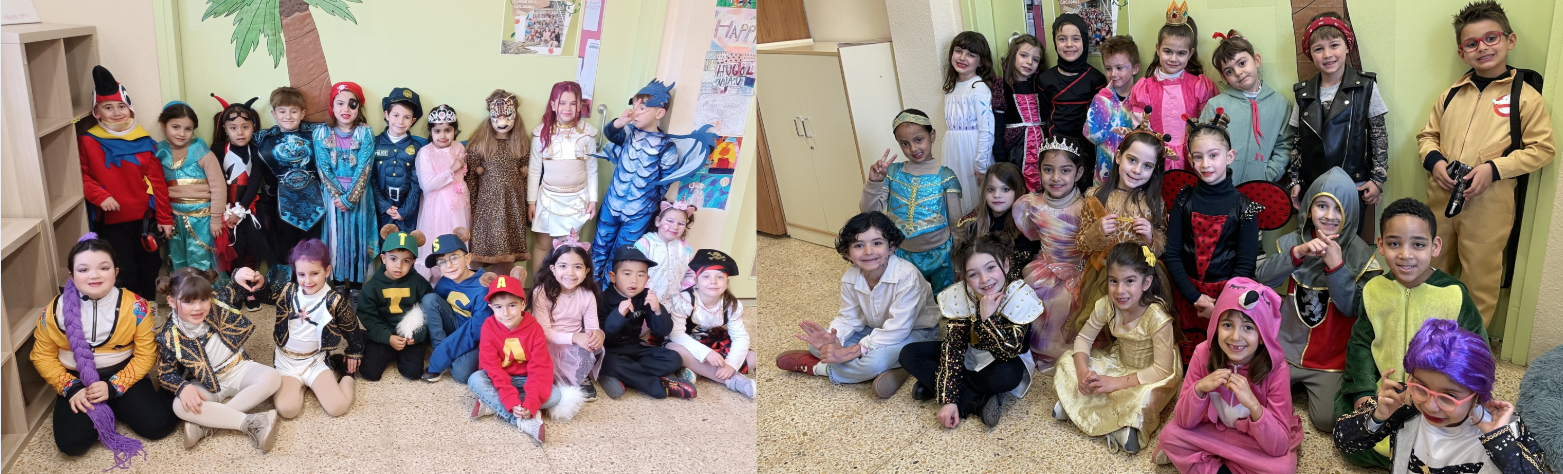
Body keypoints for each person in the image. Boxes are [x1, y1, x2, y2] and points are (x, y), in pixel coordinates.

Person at [1419, 0, 1556, 327]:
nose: (1482, 48)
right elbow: (1427, 136)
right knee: (1429, 268)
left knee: (1479, 280)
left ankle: (1469, 347)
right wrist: (1434, 161)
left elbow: (1542, 148)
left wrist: (1495, 169)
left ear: (1510, 40)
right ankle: (1424, 337)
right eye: (1472, 43)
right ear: (1462, 53)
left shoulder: (1525, 96)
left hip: (1489, 205)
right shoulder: (1451, 94)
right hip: (1441, 198)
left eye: (1491, 38)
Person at [1336, 198, 1491, 468]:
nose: (1405, 255)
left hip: (1435, 396)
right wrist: (1363, 393)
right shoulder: (1373, 290)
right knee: (1346, 431)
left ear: (1435, 246)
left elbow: (1477, 350)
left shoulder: (1453, 293)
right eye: (1394, 244)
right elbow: (1360, 345)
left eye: (1418, 245)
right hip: (1385, 391)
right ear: (1380, 244)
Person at [1253, 167, 1381, 432]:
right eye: (1322, 205)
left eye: (1338, 208)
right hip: (1285, 352)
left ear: (1350, 211)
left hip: (1329, 360)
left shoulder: (1362, 256)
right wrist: (1296, 254)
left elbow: (1354, 309)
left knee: (1327, 421)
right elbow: (1261, 280)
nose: (1329, 216)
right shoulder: (1291, 242)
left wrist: (1337, 268)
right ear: (1309, 207)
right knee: (1255, 399)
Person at [31, 234, 175, 465]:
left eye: (103, 268)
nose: (94, 275)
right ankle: (110, 406)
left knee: (158, 427)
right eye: (84, 269)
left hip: (124, 373)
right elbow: (42, 356)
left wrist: (114, 386)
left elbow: (146, 354)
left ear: (116, 272)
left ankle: (168, 389)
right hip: (77, 379)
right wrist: (70, 387)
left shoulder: (136, 306)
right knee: (72, 444)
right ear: (72, 276)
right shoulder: (53, 310)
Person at [1334, 319, 1551, 473]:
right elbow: (1345, 442)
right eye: (1421, 388)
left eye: (1449, 397)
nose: (1431, 406)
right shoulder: (1404, 402)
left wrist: (1500, 441)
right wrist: (1377, 416)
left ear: (1477, 396)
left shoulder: (1506, 431)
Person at [775, 211, 940, 398]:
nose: (869, 251)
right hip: (875, 328)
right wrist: (835, 340)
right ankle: (896, 367)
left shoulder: (907, 276)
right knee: (818, 347)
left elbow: (897, 329)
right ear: (847, 253)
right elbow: (848, 318)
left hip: (916, 332)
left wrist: (849, 352)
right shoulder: (850, 277)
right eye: (859, 245)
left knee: (873, 363)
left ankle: (819, 368)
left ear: (891, 247)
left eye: (877, 243)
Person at [1155, 278, 1304, 473]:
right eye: (1227, 325)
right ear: (1215, 326)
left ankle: (1208, 461)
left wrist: (1254, 405)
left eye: (1248, 327)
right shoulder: (1202, 353)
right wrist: (1199, 389)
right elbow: (1183, 420)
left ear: (1262, 336)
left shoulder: (1277, 368)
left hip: (1252, 441)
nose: (1235, 337)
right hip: (1210, 432)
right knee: (1169, 436)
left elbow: (1278, 445)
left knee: (1283, 469)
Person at [900, 234, 1040, 429]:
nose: (984, 279)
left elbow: (1008, 352)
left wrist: (987, 319)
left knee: (1007, 377)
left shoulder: (1019, 296)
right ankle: (975, 402)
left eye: (991, 268)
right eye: (973, 274)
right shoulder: (960, 295)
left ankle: (938, 385)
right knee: (909, 354)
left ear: (1006, 265)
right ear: (965, 277)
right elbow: (954, 348)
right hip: (968, 354)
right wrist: (949, 401)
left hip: (1000, 361)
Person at [1054, 242, 1181, 454]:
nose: (1120, 290)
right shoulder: (1107, 305)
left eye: (1129, 281)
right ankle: (1086, 407)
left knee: (1144, 397)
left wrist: (1114, 383)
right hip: (1118, 362)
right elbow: (1083, 339)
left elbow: (1162, 370)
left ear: (1146, 282)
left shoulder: (1157, 317)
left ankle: (1118, 424)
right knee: (1068, 360)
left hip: (1151, 373)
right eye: (1114, 281)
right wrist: (1083, 373)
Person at [590, 79, 715, 287]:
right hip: (611, 206)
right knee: (599, 248)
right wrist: (621, 121)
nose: (635, 112)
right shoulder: (627, 135)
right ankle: (590, 290)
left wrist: (648, 206)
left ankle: (610, 293)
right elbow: (611, 133)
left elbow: (664, 182)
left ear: (659, 113)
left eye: (642, 108)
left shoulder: (667, 148)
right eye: (634, 106)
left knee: (623, 254)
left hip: (639, 213)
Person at [1164, 111, 1260, 363]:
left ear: (1229, 156)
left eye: (1213, 155)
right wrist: (1195, 297)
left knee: (1221, 358)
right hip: (1186, 293)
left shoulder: (1246, 207)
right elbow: (1172, 254)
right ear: (1190, 159)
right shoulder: (1183, 200)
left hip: (1228, 298)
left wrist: (1221, 303)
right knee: (1188, 357)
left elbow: (1245, 264)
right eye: (1198, 157)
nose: (1205, 164)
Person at [153, 267, 283, 452]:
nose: (198, 307)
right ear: (172, 301)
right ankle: (250, 422)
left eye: (204, 299)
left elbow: (235, 288)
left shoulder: (217, 301)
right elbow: (165, 373)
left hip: (239, 368)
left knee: (273, 377)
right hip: (206, 382)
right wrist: (182, 387)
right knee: (179, 406)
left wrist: (238, 274)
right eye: (188, 301)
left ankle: (208, 424)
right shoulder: (168, 336)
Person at [1286, 12, 1389, 241]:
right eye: (1319, 49)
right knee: (1314, 246)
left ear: (1347, 46)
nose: (1327, 54)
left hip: (1353, 185)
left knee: (1347, 246)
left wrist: (1378, 179)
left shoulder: (1366, 87)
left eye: (1334, 45)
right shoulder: (1303, 94)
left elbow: (1379, 135)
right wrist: (1294, 180)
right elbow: (1297, 142)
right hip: (1314, 187)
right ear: (1310, 54)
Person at [229, 239, 359, 419]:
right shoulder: (288, 291)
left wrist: (354, 352)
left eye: (315, 273)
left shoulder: (334, 300)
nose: (308, 280)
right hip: (287, 362)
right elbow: (266, 294)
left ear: (327, 271)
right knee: (287, 410)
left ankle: (346, 373)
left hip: (315, 361)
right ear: (295, 272)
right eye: (301, 274)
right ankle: (303, 384)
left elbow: (351, 327)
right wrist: (256, 282)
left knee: (337, 408)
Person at [79, 65, 171, 301]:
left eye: (121, 106)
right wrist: (100, 196)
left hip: (144, 219)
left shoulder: (144, 141)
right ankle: (131, 310)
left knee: (151, 265)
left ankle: (148, 306)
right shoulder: (88, 141)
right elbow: (80, 177)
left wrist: (164, 218)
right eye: (108, 107)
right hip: (112, 222)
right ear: (97, 111)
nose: (117, 112)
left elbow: (158, 184)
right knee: (123, 269)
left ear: (129, 108)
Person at [469, 274, 588, 445]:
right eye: (498, 307)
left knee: (555, 396)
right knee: (475, 379)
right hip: (499, 379)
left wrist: (531, 401)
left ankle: (493, 405)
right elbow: (492, 368)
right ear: (491, 307)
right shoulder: (488, 326)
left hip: (527, 379)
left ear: (523, 304)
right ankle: (522, 420)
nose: (505, 313)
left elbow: (540, 368)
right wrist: (511, 399)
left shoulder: (534, 329)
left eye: (512, 305)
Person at [862, 109, 963, 289]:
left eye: (918, 140)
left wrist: (959, 264)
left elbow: (957, 226)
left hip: (941, 258)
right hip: (901, 257)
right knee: (907, 299)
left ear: (932, 135)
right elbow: (869, 213)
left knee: (943, 299)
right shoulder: (892, 173)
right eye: (905, 143)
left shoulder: (946, 177)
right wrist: (874, 182)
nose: (913, 148)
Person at [1013, 137, 1088, 370]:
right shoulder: (1030, 205)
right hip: (1044, 268)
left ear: (1078, 173)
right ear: (1039, 171)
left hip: (1077, 272)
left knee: (1066, 303)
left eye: (1065, 170)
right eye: (1048, 170)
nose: (1056, 177)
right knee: (1029, 299)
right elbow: (1033, 234)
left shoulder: (1085, 208)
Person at [596, 245, 697, 399]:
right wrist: (618, 315)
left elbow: (662, 331)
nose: (634, 280)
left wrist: (657, 310)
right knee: (608, 363)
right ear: (613, 276)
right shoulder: (602, 299)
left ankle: (625, 377)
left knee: (674, 359)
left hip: (635, 347)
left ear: (647, 279)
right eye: (627, 274)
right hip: (610, 351)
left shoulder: (645, 296)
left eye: (641, 275)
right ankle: (658, 386)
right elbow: (603, 338)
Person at [1128, 2, 1218, 170]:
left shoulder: (1199, 86)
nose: (1173, 59)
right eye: (1167, 51)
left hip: (1192, 156)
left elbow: (1206, 127)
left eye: (1181, 53)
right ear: (1158, 49)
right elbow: (1141, 129)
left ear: (1190, 53)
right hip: (1156, 156)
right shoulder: (1145, 88)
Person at [662, 249, 756, 399]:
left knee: (752, 357)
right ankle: (733, 381)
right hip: (685, 340)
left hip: (712, 339)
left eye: (720, 277)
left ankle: (696, 370)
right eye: (706, 276)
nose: (713, 281)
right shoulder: (684, 299)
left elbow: (741, 337)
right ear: (696, 281)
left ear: (727, 282)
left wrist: (731, 364)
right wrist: (706, 353)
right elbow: (676, 334)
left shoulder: (732, 304)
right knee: (673, 350)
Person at [1202, 29, 1293, 185]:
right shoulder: (1215, 105)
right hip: (1221, 186)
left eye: (1242, 63)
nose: (1238, 73)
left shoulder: (1280, 104)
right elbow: (1201, 144)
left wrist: (1269, 174)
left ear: (1256, 60)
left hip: (1261, 187)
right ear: (1225, 77)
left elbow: (1285, 145)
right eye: (1229, 71)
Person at [313, 82, 379, 285]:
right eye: (340, 103)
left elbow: (364, 168)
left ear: (359, 108)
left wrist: (350, 199)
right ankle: (339, 283)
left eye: (352, 104)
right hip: (332, 196)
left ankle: (358, 284)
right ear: (332, 106)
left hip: (359, 195)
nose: (346, 109)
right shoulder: (321, 133)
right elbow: (323, 169)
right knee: (335, 239)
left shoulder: (365, 133)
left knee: (358, 238)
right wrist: (338, 197)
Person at [1036, 13, 1108, 190]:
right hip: (1055, 151)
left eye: (1075, 38)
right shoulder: (1045, 79)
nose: (1069, 44)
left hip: (1086, 153)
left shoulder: (1096, 78)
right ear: (1055, 43)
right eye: (1062, 39)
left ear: (1084, 41)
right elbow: (1044, 115)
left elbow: (1100, 119)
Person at [528, 81, 599, 258]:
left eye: (573, 103)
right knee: (543, 245)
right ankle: (539, 278)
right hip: (548, 199)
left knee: (569, 246)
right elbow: (534, 170)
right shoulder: (541, 134)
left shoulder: (587, 134)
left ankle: (564, 277)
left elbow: (592, 170)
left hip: (577, 200)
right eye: (562, 103)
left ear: (580, 106)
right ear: (553, 105)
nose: (567, 108)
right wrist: (531, 202)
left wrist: (593, 199)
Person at [531, 232, 605, 400]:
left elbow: (592, 327)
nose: (570, 272)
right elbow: (544, 332)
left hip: (575, 345)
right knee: (539, 367)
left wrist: (598, 334)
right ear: (553, 269)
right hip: (548, 343)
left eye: (577, 267)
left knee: (594, 344)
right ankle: (554, 376)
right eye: (563, 266)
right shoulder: (541, 293)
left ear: (586, 271)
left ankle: (579, 375)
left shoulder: (587, 294)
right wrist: (574, 337)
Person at [356, 226, 435, 381]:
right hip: (384, 332)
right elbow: (367, 315)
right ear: (383, 258)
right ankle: (365, 338)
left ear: (413, 262)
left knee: (413, 373)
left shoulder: (419, 283)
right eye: (393, 259)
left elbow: (428, 312)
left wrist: (418, 336)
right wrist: (387, 337)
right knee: (369, 373)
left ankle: (402, 352)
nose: (399, 265)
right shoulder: (372, 286)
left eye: (406, 261)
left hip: (408, 335)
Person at [155, 101, 227, 271]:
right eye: (175, 127)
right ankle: (182, 288)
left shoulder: (202, 152)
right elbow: (157, 189)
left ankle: (204, 289)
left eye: (188, 129)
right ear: (163, 125)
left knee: (201, 261)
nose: (182, 133)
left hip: (202, 219)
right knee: (178, 258)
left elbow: (218, 187)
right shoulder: (159, 153)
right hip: (174, 219)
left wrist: (216, 219)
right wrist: (163, 218)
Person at [465, 90, 532, 270]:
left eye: (507, 115)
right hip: (487, 209)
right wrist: (472, 209)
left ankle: (503, 286)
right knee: (480, 256)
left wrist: (527, 206)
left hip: (512, 207)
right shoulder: (479, 145)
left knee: (506, 256)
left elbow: (526, 178)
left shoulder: (522, 145)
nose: (502, 121)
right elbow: (471, 180)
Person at [255, 86, 326, 254]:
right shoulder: (263, 138)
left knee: (314, 250)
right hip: (280, 206)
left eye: (293, 111)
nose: (288, 116)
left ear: (303, 113)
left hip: (316, 204)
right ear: (273, 113)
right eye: (282, 111)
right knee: (285, 250)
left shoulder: (318, 133)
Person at [211, 94, 275, 271]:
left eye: (245, 127)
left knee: (249, 249)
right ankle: (233, 283)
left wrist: (240, 211)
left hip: (248, 208)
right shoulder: (217, 150)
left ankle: (250, 282)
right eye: (233, 128)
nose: (240, 132)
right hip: (224, 208)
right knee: (230, 249)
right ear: (225, 129)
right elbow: (216, 182)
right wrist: (224, 211)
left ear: (253, 126)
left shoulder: (256, 151)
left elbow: (254, 182)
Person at [413, 104, 470, 280]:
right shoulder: (425, 153)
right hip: (437, 208)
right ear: (431, 132)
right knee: (437, 241)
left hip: (458, 206)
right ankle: (434, 282)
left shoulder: (459, 148)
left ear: (455, 131)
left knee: (457, 241)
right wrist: (452, 170)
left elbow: (463, 174)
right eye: (437, 131)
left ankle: (458, 281)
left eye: (448, 130)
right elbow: (427, 184)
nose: (443, 136)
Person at [942, 31, 997, 213]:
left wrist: (981, 165)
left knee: (974, 198)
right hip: (953, 149)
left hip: (971, 150)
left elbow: (986, 129)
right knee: (956, 196)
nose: (962, 58)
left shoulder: (979, 88)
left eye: (971, 54)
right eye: (958, 51)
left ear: (980, 62)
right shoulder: (951, 88)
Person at [956, 162, 1034, 285]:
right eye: (991, 189)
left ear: (1020, 192)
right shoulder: (975, 223)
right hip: (984, 284)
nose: (997, 195)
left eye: (1005, 189)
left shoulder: (1027, 227)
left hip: (1019, 287)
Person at [989, 34, 1047, 191]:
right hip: (1016, 150)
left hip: (1042, 147)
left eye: (1035, 59)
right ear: (1013, 55)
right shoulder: (1002, 86)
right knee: (1017, 186)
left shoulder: (1041, 84)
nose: (1029, 62)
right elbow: (998, 127)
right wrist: (1000, 159)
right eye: (1024, 55)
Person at [1085, 35, 1142, 187]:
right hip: (1104, 178)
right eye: (1108, 68)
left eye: (1119, 68)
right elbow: (1093, 136)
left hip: (1134, 178)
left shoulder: (1141, 100)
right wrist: (1102, 102)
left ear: (1135, 68)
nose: (1113, 74)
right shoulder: (1101, 98)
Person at [371, 87, 428, 231]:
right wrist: (384, 206)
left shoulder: (417, 148)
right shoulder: (374, 144)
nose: (400, 121)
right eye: (396, 115)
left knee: (407, 244)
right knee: (384, 243)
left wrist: (405, 211)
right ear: (387, 114)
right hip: (381, 212)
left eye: (406, 117)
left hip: (407, 215)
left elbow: (417, 183)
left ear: (413, 120)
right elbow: (371, 179)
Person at [636, 200, 697, 303]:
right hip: (645, 300)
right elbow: (635, 272)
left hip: (673, 304)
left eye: (681, 223)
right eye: (670, 221)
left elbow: (691, 274)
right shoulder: (644, 244)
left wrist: (684, 293)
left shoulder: (686, 249)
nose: (675, 227)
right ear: (658, 221)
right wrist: (646, 294)